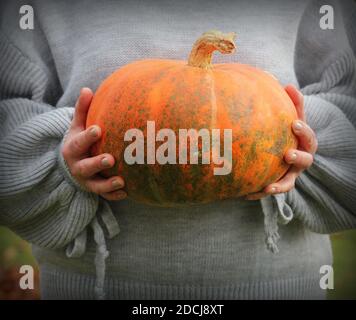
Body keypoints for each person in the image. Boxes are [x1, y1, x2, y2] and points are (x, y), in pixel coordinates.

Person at [0, 0, 355, 299]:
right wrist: (61, 159)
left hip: (277, 284)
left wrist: (301, 140)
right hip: (95, 287)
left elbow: (347, 98)